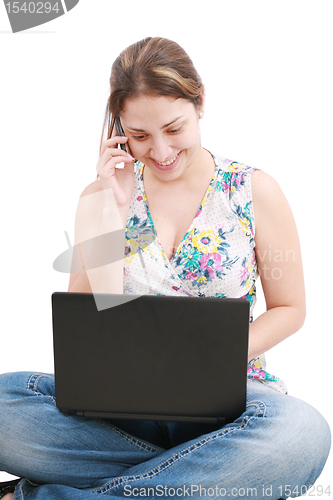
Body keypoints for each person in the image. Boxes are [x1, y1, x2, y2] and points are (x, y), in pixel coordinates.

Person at [0, 36, 331, 500]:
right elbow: (85, 319)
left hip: (230, 402)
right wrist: (111, 211)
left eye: (174, 128)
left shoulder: (253, 190)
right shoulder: (100, 197)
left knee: (301, 433)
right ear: (120, 132)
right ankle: (207, 477)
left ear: (199, 104)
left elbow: (291, 308)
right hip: (121, 407)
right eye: (139, 137)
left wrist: (209, 363)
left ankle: (50, 495)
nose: (160, 151)